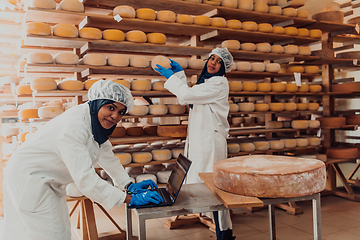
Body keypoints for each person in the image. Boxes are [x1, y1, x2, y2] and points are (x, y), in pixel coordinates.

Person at [0, 80, 163, 240]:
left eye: (121, 112)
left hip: (47, 180)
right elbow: (85, 179)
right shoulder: (74, 126)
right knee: (48, 234)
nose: (115, 116)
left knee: (59, 230)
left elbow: (107, 157)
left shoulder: (95, 123)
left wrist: (128, 184)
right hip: (29, 180)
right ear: (98, 102)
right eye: (111, 108)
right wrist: (129, 198)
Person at [155, 47, 236, 240]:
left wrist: (172, 77)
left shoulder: (218, 83)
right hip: (202, 140)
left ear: (223, 67)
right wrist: (180, 75)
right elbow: (187, 97)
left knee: (215, 188)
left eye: (218, 61)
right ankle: (222, 230)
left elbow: (187, 95)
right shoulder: (207, 82)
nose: (213, 63)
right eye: (211, 58)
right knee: (207, 186)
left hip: (211, 142)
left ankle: (224, 233)